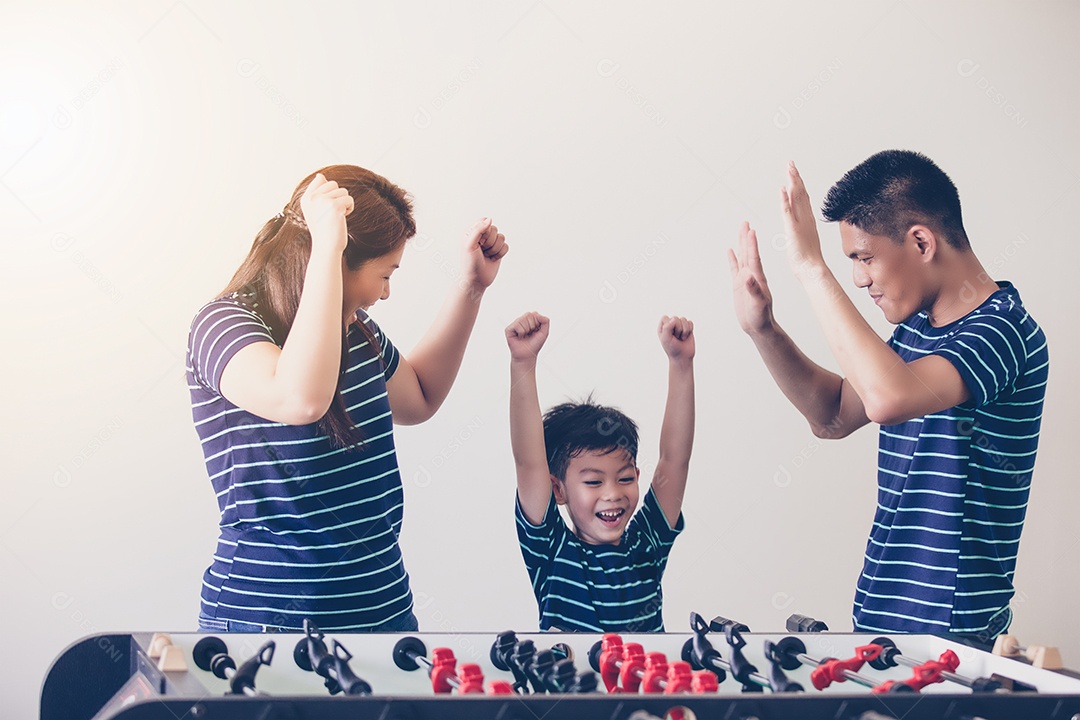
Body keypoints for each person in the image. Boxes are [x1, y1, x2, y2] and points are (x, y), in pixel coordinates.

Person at [729, 151, 1048, 639]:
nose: (860, 279)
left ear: (920, 242)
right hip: (881, 613)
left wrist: (812, 269)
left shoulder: (1003, 330)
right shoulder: (918, 329)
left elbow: (886, 399)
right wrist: (763, 329)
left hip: (951, 628)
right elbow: (832, 416)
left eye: (864, 257)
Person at [187, 165, 508, 632]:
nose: (386, 291)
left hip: (382, 611)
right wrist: (327, 248)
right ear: (335, 260)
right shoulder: (223, 325)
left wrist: (472, 286)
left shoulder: (353, 330)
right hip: (268, 625)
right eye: (385, 273)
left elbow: (419, 396)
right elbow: (300, 399)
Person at [506, 311, 695, 632]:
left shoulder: (646, 547)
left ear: (637, 476)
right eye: (594, 481)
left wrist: (681, 365)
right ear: (558, 489)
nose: (613, 494)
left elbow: (674, 460)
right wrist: (523, 364)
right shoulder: (552, 550)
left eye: (624, 478)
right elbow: (529, 462)